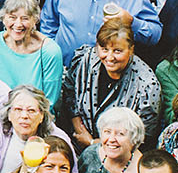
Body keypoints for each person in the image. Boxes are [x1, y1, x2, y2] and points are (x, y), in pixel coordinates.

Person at [58, 13, 161, 146]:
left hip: (120, 154)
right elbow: (69, 93)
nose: (110, 57)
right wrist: (79, 129)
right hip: (78, 142)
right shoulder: (86, 59)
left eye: (117, 51)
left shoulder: (147, 85)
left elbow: (143, 136)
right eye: (104, 49)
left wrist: (93, 143)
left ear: (131, 50)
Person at [0, 0, 64, 104]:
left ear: (35, 20)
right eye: (12, 17)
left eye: (25, 18)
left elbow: (49, 101)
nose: (18, 24)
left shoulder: (50, 51)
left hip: (36, 117)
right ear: (3, 18)